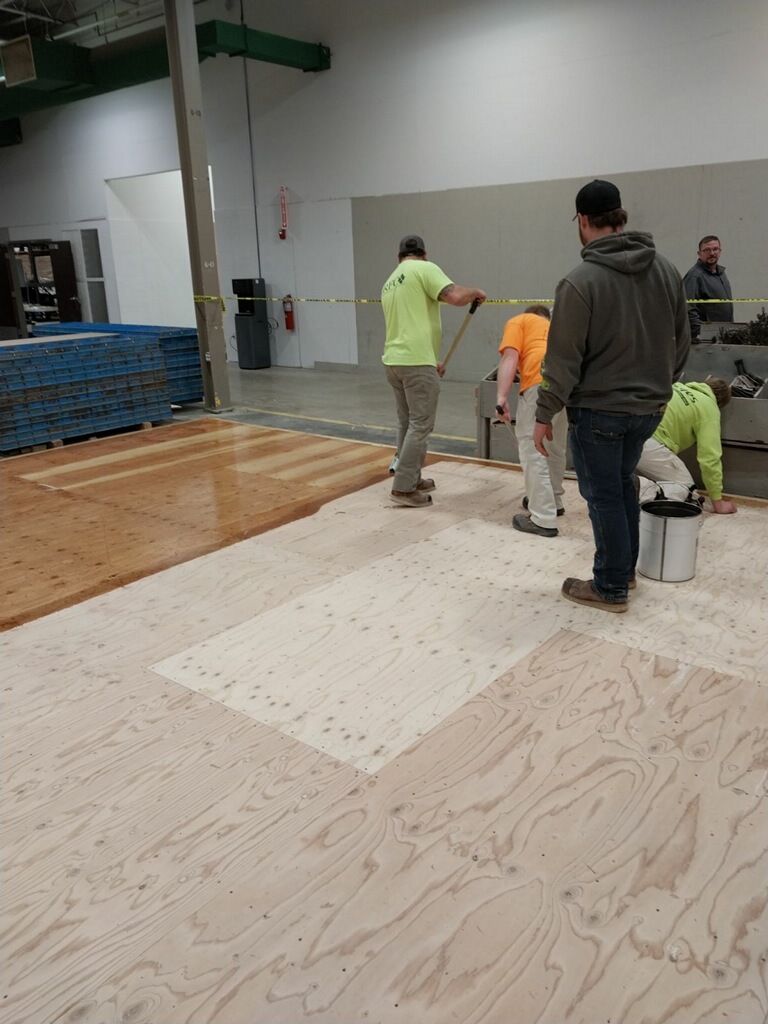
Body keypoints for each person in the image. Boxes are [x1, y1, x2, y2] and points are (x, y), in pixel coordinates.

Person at [533, 179, 691, 613]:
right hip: (649, 410)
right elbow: (682, 340)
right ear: (620, 216)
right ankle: (623, 574)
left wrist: (545, 412)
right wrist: (661, 384)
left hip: (600, 412)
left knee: (604, 494)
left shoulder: (579, 281)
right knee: (623, 483)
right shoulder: (667, 270)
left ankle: (610, 587)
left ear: (583, 221)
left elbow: (561, 361)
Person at [381, 234, 485, 507]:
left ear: (400, 257)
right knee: (420, 424)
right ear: (424, 254)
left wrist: (430, 360)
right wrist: (475, 292)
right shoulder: (425, 269)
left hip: (394, 361)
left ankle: (411, 477)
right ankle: (403, 488)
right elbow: (454, 296)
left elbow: (410, 322)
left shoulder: (390, 281)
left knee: (407, 423)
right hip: (415, 362)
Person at [495, 305, 567, 537]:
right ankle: (554, 501)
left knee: (531, 447)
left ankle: (543, 518)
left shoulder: (520, 320)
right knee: (555, 447)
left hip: (539, 382)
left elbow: (510, 357)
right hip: (567, 387)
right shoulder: (556, 328)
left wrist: (501, 397)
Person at [635, 378, 737, 514]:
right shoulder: (709, 408)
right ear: (719, 403)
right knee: (686, 491)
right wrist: (717, 502)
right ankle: (631, 485)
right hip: (648, 443)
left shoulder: (676, 386)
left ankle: (620, 479)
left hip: (628, 434)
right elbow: (710, 459)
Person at [683, 236, 734, 342]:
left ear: (720, 251)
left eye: (715, 249)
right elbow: (688, 308)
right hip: (706, 339)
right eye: (707, 250)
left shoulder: (721, 274)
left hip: (722, 336)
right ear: (699, 253)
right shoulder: (694, 276)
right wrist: (698, 334)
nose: (712, 253)